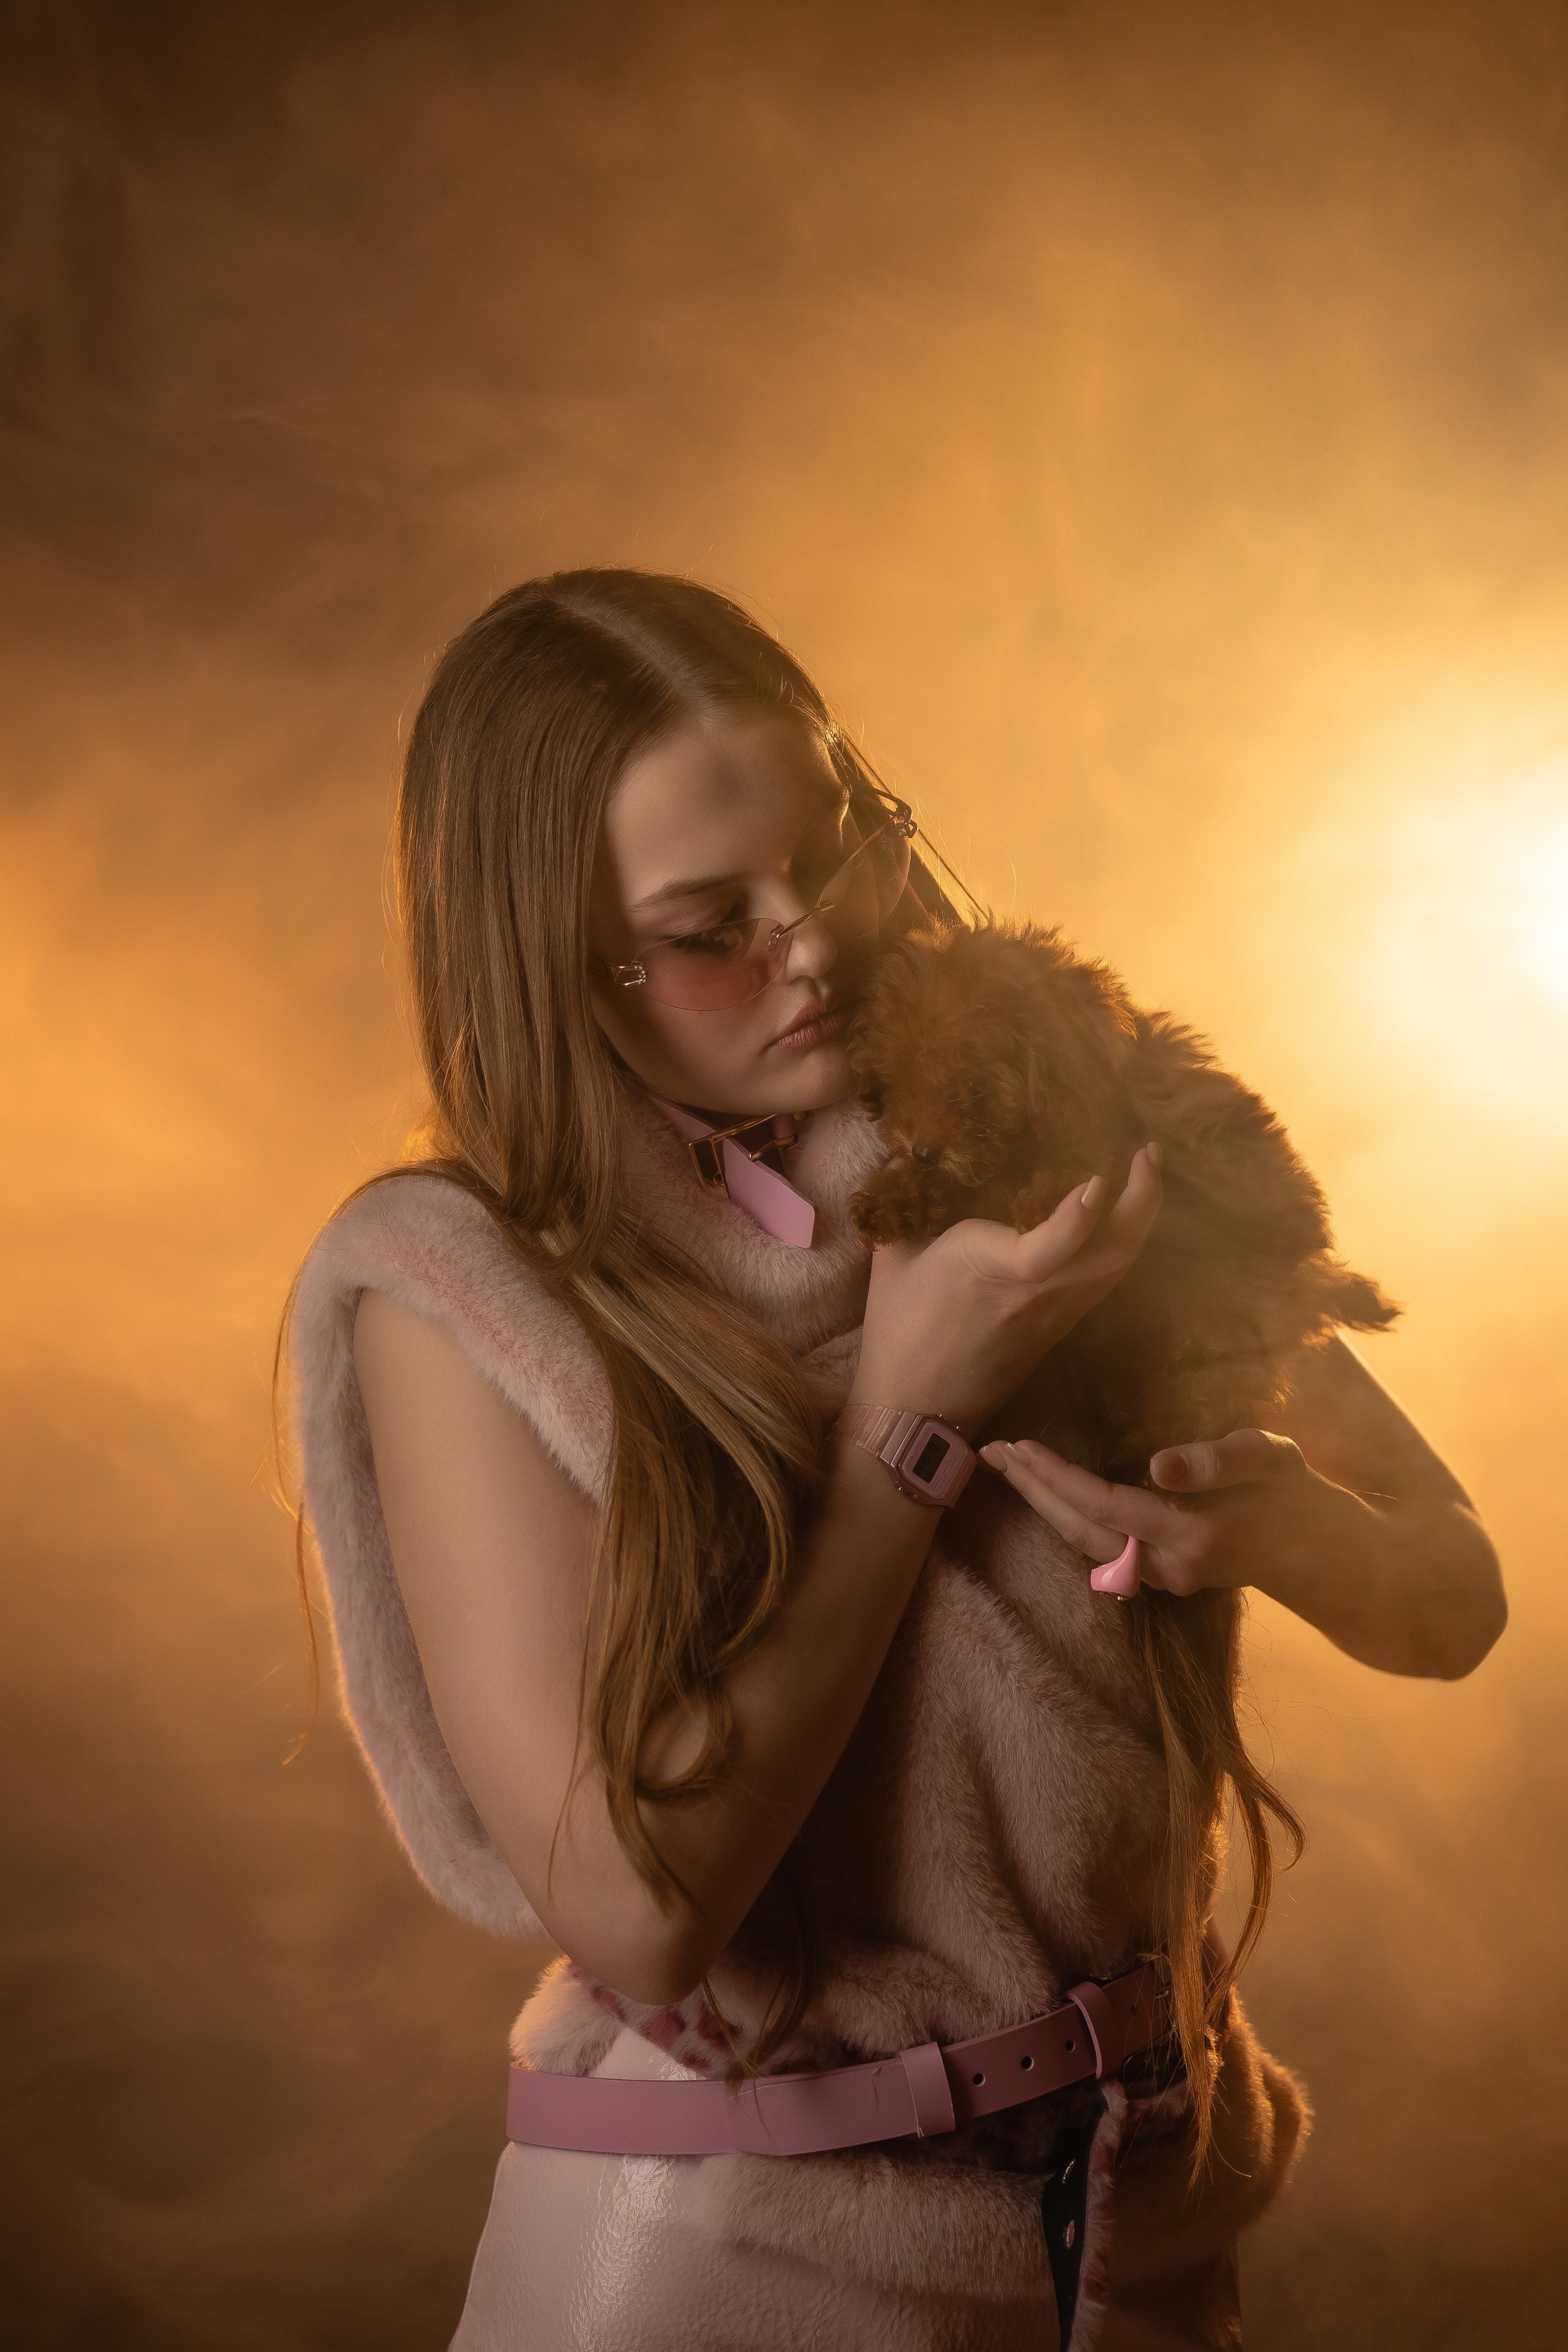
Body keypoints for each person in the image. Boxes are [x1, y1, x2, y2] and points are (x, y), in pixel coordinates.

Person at [285, 570, 1505, 2350]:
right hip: (725, 2248)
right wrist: (906, 1430)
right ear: (552, 961)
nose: (813, 946)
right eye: (711, 924)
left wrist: (1286, 1533)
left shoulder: (1051, 1104)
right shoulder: (462, 1285)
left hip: (1132, 2218)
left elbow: (1455, 1590)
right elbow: (637, 1916)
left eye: (838, 849)